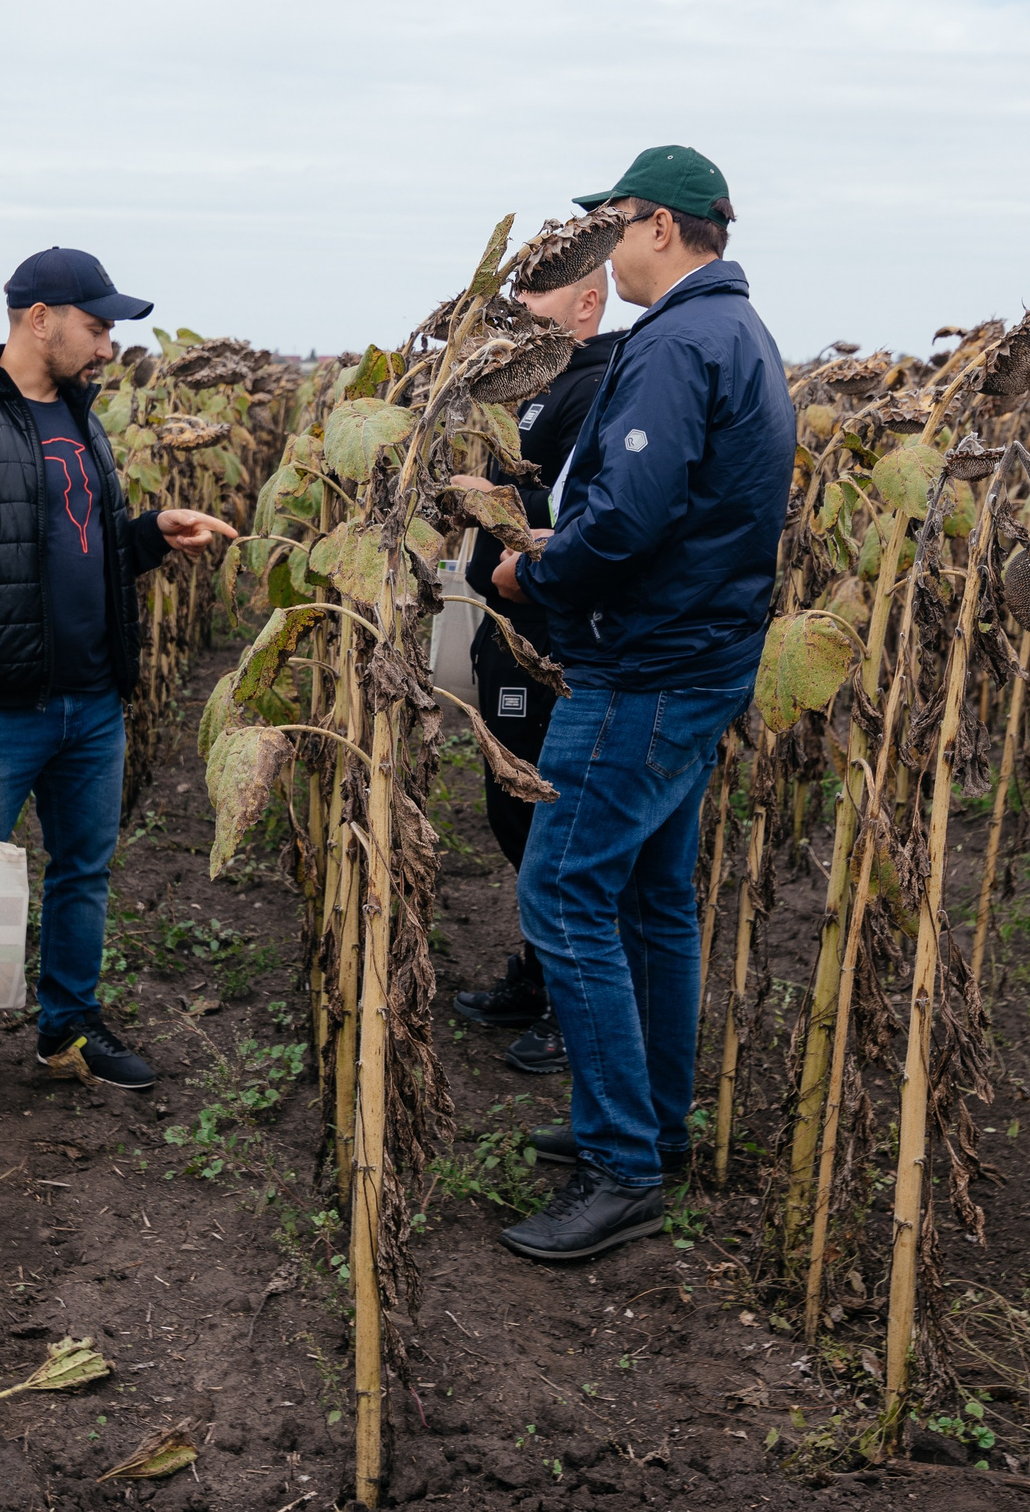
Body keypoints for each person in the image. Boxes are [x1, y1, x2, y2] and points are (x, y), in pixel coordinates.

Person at [488, 146, 795, 1259]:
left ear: (660, 226)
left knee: (562, 895)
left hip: (641, 668)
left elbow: (624, 521)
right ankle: (651, 1130)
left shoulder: (679, 341)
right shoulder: (737, 333)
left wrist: (533, 573)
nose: (602, 248)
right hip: (696, 657)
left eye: (613, 224)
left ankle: (622, 1165)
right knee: (653, 901)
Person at [0, 247, 239, 1118]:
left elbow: (80, 551)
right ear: (38, 317)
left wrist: (153, 531)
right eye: (96, 326)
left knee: (82, 871)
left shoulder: (81, 418)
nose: (106, 344)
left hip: (90, 702)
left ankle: (68, 1029)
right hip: (0, 709)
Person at [446, 260, 619, 1074]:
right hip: (506, 620)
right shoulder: (536, 388)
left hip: (545, 629)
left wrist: (496, 498)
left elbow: (581, 512)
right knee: (509, 807)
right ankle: (537, 971)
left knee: (540, 814)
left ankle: (563, 999)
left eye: (536, 291)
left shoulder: (595, 386)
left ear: (586, 304)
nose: (518, 302)